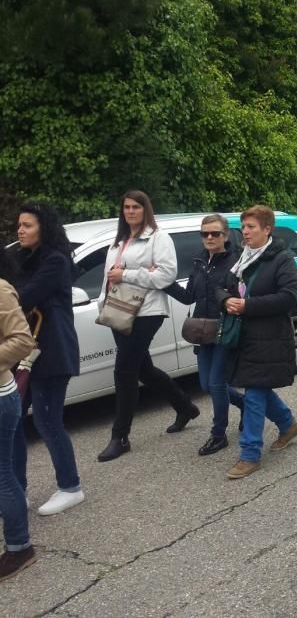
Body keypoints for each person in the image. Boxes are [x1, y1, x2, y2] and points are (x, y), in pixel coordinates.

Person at [96, 190, 199, 462]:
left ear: (145, 209)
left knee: (124, 370)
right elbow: (109, 279)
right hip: (118, 311)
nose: (130, 211)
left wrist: (127, 274)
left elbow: (166, 275)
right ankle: (185, 406)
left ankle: (120, 436)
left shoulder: (158, 238)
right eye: (126, 207)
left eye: (136, 207)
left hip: (147, 311)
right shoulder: (119, 241)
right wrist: (102, 304)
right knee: (144, 369)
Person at [217, 206, 297, 480]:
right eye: (243, 227)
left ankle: (250, 454)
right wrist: (225, 300)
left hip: (270, 337)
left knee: (254, 392)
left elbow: (289, 296)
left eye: (251, 226)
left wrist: (248, 306)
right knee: (260, 388)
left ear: (267, 229)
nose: (245, 231)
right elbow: (223, 286)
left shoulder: (283, 259)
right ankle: (288, 424)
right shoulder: (241, 257)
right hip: (245, 336)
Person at [12, 204, 84, 515]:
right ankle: (16, 491)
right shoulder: (25, 259)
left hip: (52, 352)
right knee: (13, 422)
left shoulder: (54, 261)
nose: (20, 230)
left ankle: (71, 487)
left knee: (48, 421)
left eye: (27, 225)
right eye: (19, 225)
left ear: (44, 227)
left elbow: (22, 298)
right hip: (25, 352)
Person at [163, 214, 244, 456]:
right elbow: (189, 297)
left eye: (215, 233)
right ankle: (246, 406)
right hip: (201, 330)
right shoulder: (198, 262)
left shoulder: (235, 262)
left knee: (217, 383)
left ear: (225, 235)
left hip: (224, 329)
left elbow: (240, 296)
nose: (209, 237)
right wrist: (164, 283)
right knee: (206, 384)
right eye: (205, 233)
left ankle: (218, 435)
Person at [0, 250, 37, 581]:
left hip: (1, 396)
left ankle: (19, 547)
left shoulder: (1, 289)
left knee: (2, 474)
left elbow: (22, 340)